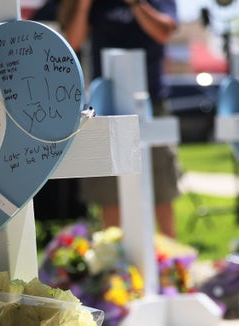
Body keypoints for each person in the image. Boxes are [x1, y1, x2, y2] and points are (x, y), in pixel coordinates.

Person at [58, 0, 181, 238]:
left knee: (160, 186)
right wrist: (83, 5)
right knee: (109, 190)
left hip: (151, 101)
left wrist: (135, 4)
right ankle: (115, 263)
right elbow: (72, 42)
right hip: (107, 104)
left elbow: (164, 31)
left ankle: (171, 263)